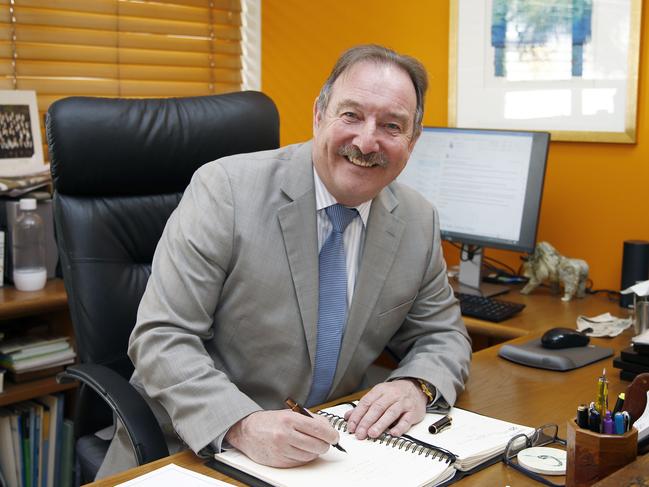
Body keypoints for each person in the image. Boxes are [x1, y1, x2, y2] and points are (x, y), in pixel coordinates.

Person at [97, 44, 471, 478]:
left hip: (330, 454)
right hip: (191, 449)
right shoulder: (225, 190)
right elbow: (161, 337)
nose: (367, 142)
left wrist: (416, 384)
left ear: (413, 140)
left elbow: (443, 335)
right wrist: (241, 424)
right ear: (318, 115)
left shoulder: (417, 219)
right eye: (350, 115)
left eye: (392, 125)